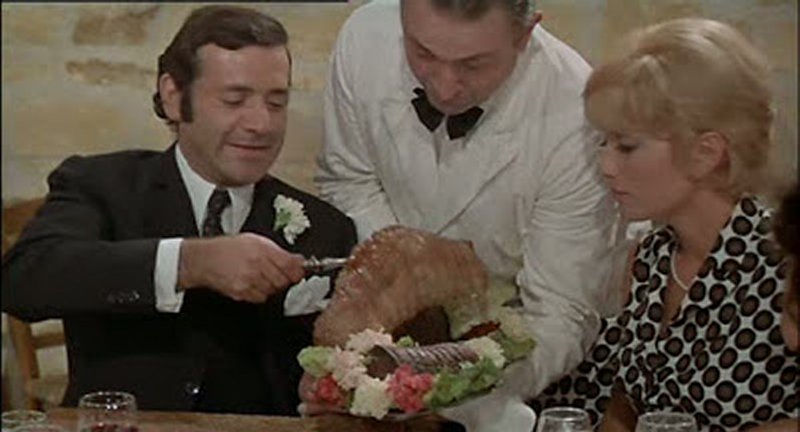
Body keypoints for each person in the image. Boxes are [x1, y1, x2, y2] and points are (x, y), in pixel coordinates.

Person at [1, 5, 356, 416]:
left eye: (277, 103)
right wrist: (189, 262)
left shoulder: (326, 228)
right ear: (173, 97)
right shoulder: (101, 185)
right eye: (234, 99)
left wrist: (333, 389)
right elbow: (23, 280)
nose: (261, 124)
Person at [315, 0, 620, 430]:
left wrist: (465, 384)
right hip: (382, 335)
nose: (445, 88)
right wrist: (407, 275)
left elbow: (559, 310)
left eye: (474, 64)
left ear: (526, 34)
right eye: (422, 53)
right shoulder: (364, 38)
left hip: (515, 363)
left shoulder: (575, 111)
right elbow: (349, 181)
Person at [531, 17, 798, 431]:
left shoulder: (783, 263)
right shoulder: (650, 259)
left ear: (706, 152)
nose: (605, 165)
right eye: (603, 142)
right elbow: (626, 403)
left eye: (626, 146)